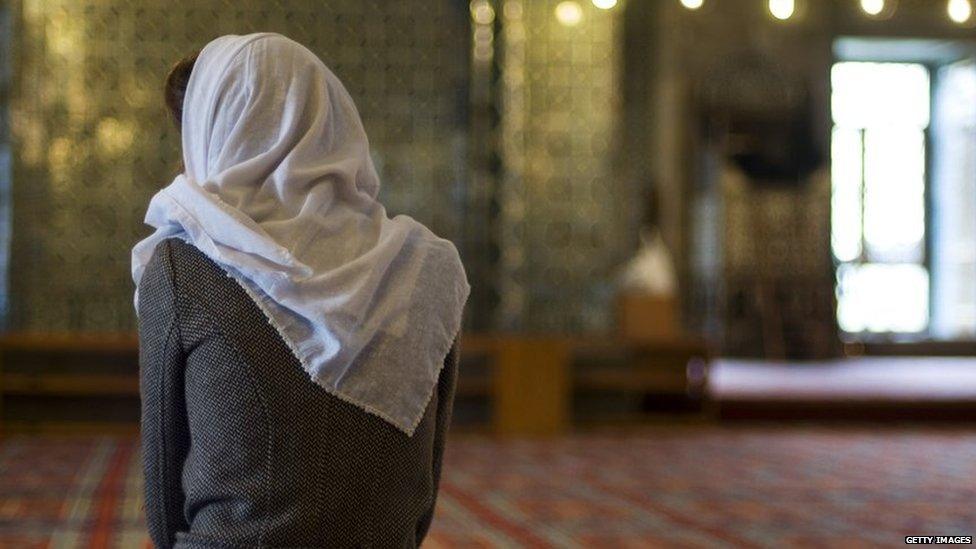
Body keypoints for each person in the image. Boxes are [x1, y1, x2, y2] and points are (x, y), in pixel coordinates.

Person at [131, 33, 469, 549]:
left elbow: (162, 499)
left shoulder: (182, 266)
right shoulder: (426, 265)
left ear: (211, 132)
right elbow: (421, 491)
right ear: (330, 119)